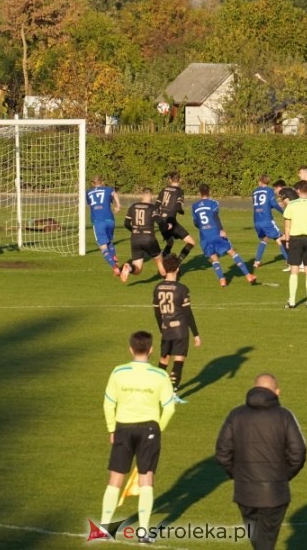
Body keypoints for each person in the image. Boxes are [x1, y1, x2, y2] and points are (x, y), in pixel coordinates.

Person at [100, 331, 177, 544]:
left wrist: (111, 429)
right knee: (146, 477)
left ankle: (105, 527)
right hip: (150, 429)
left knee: (116, 478)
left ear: (130, 349)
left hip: (123, 427)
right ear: (151, 350)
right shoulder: (160, 376)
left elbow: (108, 403)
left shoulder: (118, 372)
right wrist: (158, 428)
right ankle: (143, 533)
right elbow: (169, 408)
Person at [215, 374, 307, 550]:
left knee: (260, 541)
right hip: (275, 493)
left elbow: (222, 452)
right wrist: (283, 476)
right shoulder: (285, 416)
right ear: (277, 392)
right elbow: (298, 452)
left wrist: (238, 475)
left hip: (245, 492)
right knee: (266, 542)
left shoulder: (236, 415)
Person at [153, 254, 200, 404]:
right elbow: (188, 313)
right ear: (178, 268)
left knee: (163, 360)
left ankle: (155, 391)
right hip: (180, 329)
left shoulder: (157, 288)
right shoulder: (182, 289)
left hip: (166, 329)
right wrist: (196, 334)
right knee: (178, 360)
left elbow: (157, 313)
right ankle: (172, 395)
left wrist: (162, 328)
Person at [191, 183, 257, 288]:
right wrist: (221, 230)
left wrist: (204, 228)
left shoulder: (194, 206)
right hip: (215, 233)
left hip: (204, 236)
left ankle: (222, 280)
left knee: (213, 257)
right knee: (231, 252)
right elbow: (215, 216)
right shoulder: (213, 203)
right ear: (209, 191)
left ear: (200, 193)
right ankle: (248, 275)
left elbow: (195, 222)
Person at [282, 181, 307, 308]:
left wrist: (287, 240)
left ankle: (292, 301)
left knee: (294, 269)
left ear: (298, 191)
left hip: (295, 238)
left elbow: (287, 226)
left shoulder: (292, 205)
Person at [120, 188, 166, 283]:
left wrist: (134, 231)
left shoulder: (133, 206)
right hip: (148, 238)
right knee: (159, 260)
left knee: (137, 269)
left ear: (142, 195)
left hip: (135, 239)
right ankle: (167, 280)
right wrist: (167, 225)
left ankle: (128, 268)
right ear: (152, 197)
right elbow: (159, 221)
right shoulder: (152, 208)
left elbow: (126, 223)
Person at [154, 172, 196, 260]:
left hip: (161, 222)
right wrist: (181, 212)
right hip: (171, 221)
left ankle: (162, 260)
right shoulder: (179, 191)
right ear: (180, 180)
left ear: (169, 180)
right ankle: (178, 262)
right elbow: (178, 207)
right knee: (191, 242)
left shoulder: (164, 189)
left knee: (170, 242)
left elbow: (156, 206)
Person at [251, 174, 290, 270]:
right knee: (280, 238)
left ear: (260, 181)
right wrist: (284, 212)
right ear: (267, 182)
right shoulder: (269, 190)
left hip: (257, 221)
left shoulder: (254, 192)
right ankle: (289, 260)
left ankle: (257, 262)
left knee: (264, 239)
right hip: (267, 220)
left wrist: (272, 205)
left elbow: (261, 205)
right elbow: (272, 204)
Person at [86, 175, 122, 275]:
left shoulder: (88, 192)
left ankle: (115, 268)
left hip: (98, 221)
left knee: (102, 246)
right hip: (110, 220)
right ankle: (114, 258)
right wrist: (118, 206)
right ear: (103, 182)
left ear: (93, 184)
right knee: (109, 241)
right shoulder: (108, 189)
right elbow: (114, 193)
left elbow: (90, 204)